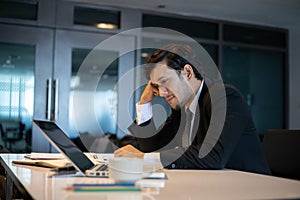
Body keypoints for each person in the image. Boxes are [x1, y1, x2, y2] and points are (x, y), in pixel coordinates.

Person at [114, 44, 271, 175]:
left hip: (250, 189)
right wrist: (144, 103)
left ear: (187, 72)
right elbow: (152, 148)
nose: (161, 93)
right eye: (156, 86)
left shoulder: (224, 97)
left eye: (165, 81)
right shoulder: (181, 109)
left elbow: (212, 156)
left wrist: (145, 159)